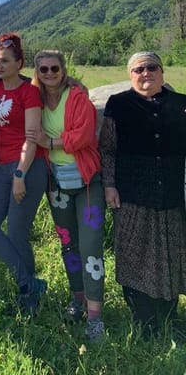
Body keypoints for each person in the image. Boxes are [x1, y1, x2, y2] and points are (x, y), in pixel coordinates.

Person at [99, 51, 186, 337]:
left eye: (151, 67)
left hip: (171, 194)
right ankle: (144, 319)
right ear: (130, 74)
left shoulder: (180, 104)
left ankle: (169, 316)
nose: (145, 73)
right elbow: (108, 149)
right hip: (131, 193)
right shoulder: (119, 104)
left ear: (162, 72)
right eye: (138, 69)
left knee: (171, 256)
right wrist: (109, 184)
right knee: (134, 255)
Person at [27, 50, 105, 342]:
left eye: (54, 68)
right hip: (57, 185)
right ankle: (78, 300)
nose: (49, 74)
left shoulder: (77, 97)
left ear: (63, 69)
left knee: (91, 248)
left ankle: (96, 316)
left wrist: (50, 141)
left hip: (87, 182)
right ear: (37, 71)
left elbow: (84, 135)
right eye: (43, 69)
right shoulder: (34, 98)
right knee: (69, 246)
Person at [0, 33, 48, 315]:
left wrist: (20, 174)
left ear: (20, 63)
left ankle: (27, 291)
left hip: (28, 167)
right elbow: (5, 122)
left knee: (17, 233)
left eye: (5, 61)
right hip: (1, 165)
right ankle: (29, 281)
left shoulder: (29, 91)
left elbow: (31, 136)